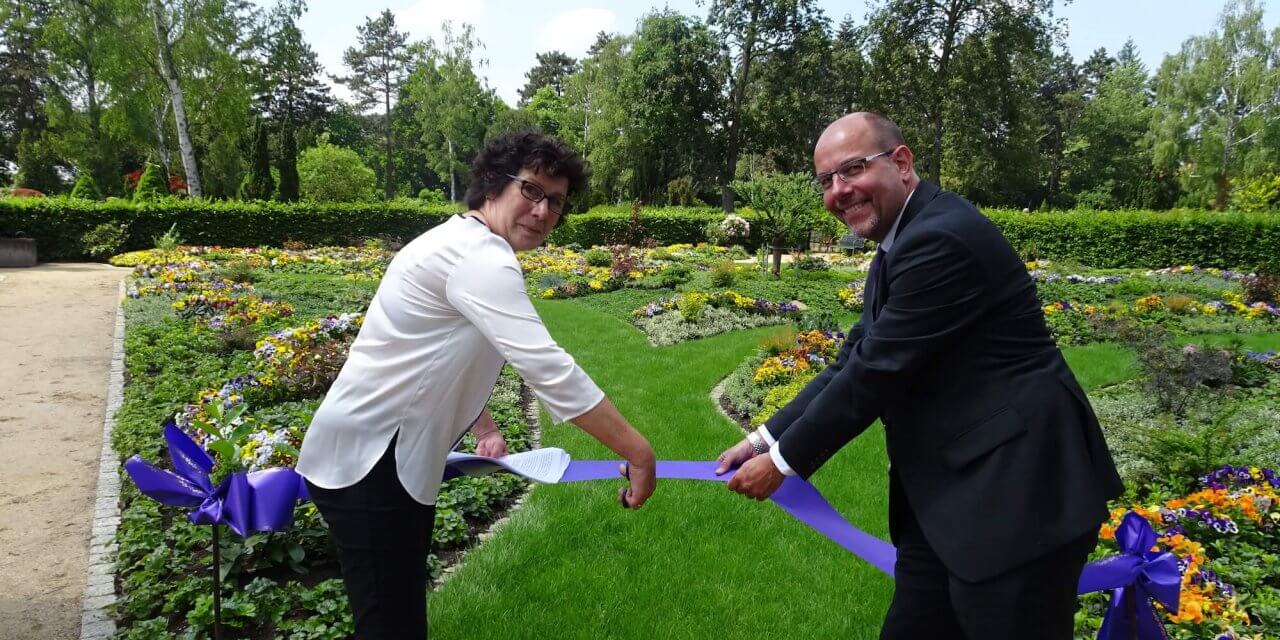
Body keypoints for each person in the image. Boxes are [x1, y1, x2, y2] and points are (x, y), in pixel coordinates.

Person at [715, 112, 1122, 639]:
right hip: (952, 500)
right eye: (826, 181)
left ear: (901, 162)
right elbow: (853, 359)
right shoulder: (900, 240)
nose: (839, 191)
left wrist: (783, 463)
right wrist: (762, 437)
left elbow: (874, 376)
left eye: (852, 169)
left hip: (1020, 500)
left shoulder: (940, 240)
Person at [297, 131, 657, 640]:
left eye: (556, 202)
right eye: (531, 190)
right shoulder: (480, 257)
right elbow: (548, 369)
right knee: (390, 627)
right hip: (371, 463)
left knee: (391, 616)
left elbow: (440, 348)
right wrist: (638, 452)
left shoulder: (459, 242)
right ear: (493, 183)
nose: (543, 211)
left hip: (371, 457)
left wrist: (481, 422)